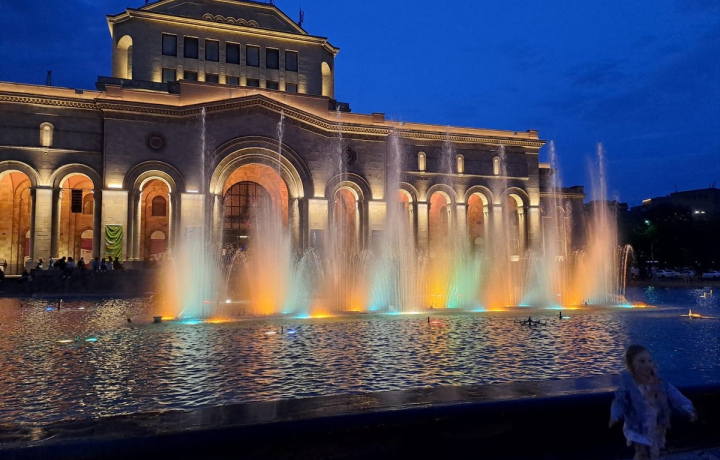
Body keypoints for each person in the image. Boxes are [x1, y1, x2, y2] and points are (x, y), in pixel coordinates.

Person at [609, 345, 696, 459]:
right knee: (642, 452)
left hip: (656, 426)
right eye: (641, 361)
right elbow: (619, 402)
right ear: (631, 365)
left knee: (654, 452)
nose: (647, 364)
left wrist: (687, 406)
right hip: (637, 427)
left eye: (649, 361)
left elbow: (673, 393)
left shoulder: (659, 383)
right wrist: (615, 415)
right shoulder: (628, 386)